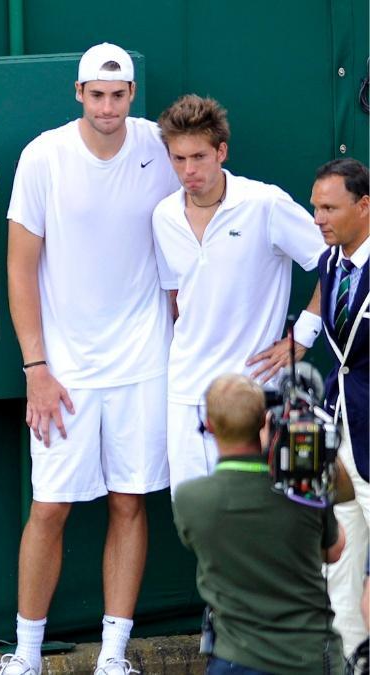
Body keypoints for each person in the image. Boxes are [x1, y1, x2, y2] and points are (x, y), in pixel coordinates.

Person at [0, 42, 180, 675]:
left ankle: (113, 655)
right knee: (49, 507)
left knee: (130, 502)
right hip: (63, 373)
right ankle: (24, 657)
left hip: (144, 362)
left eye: (119, 94)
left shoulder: (161, 147)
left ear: (133, 95)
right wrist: (36, 368)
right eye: (96, 94)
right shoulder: (43, 156)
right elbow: (21, 268)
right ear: (79, 94)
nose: (107, 106)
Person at [151, 94, 327, 497]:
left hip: (255, 392)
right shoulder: (163, 216)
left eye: (198, 156)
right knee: (196, 520)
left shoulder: (265, 204)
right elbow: (177, 297)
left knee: (261, 519)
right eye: (178, 159)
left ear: (222, 151)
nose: (188, 170)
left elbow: (332, 263)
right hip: (186, 394)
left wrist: (303, 335)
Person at [173, 373, 346, 674]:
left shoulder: (191, 499)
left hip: (235, 658)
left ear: (210, 426)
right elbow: (334, 550)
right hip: (310, 656)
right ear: (266, 422)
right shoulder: (303, 491)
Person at [310, 157, 370, 659]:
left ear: (364, 206)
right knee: (339, 567)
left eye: (329, 207)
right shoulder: (330, 263)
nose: (319, 218)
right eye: (315, 207)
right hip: (340, 438)